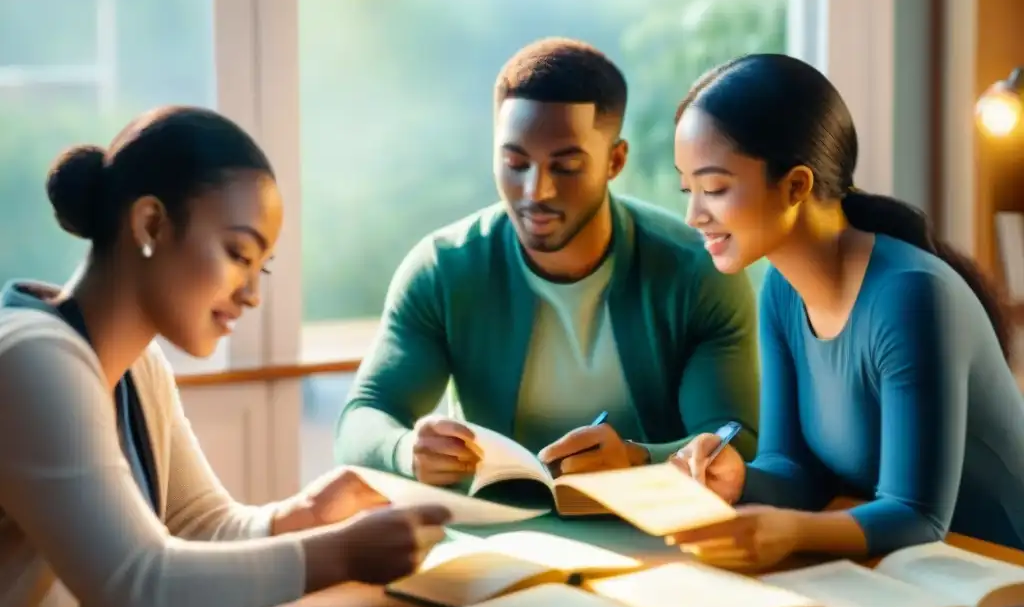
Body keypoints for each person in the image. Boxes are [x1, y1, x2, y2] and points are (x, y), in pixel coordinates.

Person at [0, 106, 451, 607]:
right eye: (238, 253)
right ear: (150, 224)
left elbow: (199, 525)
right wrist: (342, 554)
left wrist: (305, 515)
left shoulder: (136, 366)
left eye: (259, 267)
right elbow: (138, 591)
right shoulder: (32, 357)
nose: (252, 295)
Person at [334, 37, 761, 487]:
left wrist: (638, 458)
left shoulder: (696, 272)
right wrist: (403, 450)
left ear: (615, 161)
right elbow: (361, 418)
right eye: (515, 162)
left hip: (656, 536)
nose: (536, 191)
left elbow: (733, 437)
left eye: (566, 166)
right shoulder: (442, 270)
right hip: (493, 536)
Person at [667, 53, 1024, 570]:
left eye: (715, 188)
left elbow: (917, 516)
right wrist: (742, 477)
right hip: (915, 577)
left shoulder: (912, 297)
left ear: (796, 186)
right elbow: (792, 467)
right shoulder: (781, 291)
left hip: (1000, 578)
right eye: (688, 189)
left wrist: (794, 531)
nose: (694, 215)